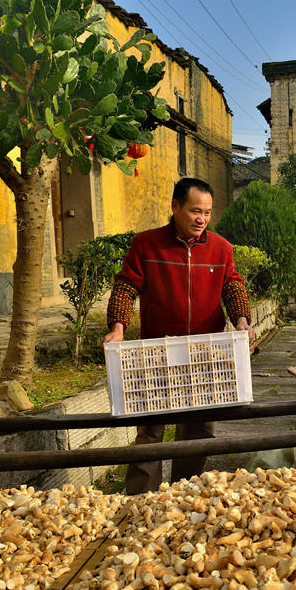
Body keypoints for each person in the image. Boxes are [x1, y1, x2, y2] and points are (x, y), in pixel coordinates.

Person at [103, 177, 255, 494]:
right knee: (150, 431)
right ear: (175, 207)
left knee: (199, 430)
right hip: (158, 351)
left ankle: (187, 493)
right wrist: (117, 326)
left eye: (207, 212)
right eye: (194, 210)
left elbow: (233, 286)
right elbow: (126, 285)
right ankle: (140, 500)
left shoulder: (220, 249)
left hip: (204, 353)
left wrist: (242, 319)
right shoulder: (147, 245)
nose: (201, 219)